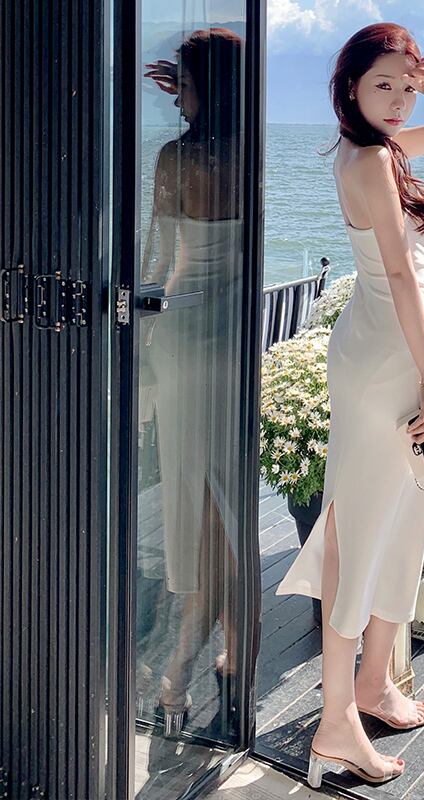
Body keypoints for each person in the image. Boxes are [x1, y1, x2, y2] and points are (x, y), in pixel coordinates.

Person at [275, 22, 424, 787]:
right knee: (358, 536)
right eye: (381, 85)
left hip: (387, 350)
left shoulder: (382, 148)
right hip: (382, 362)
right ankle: (335, 723)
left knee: (404, 517)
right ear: (349, 88)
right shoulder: (367, 160)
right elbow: (401, 276)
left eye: (404, 85)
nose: (397, 100)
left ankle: (373, 683)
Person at [140, 27, 244, 737]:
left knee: (189, 500)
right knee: (224, 499)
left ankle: (178, 665)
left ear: (202, 86)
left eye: (183, 82)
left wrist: (138, 345)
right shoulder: (247, 155)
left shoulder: (177, 158)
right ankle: (228, 647)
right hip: (232, 340)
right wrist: (204, 89)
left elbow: (157, 262)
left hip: (183, 335)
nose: (175, 95)